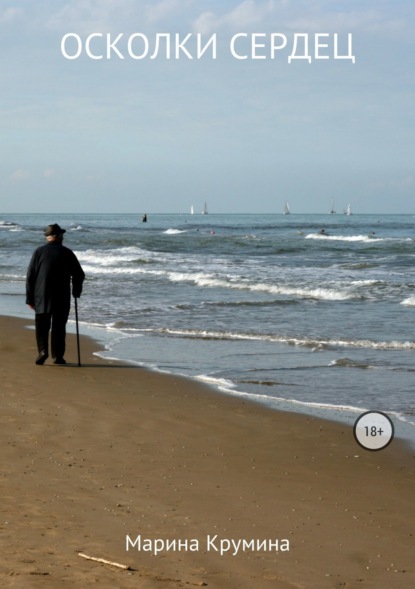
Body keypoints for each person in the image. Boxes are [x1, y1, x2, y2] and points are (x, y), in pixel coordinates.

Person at [26, 223, 85, 365]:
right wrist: (76, 291)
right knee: (59, 327)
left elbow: (30, 276)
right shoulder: (67, 252)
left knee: (42, 326)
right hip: (61, 296)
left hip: (41, 296)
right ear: (59, 237)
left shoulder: (38, 252)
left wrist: (30, 298)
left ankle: (43, 351)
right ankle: (57, 356)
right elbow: (79, 274)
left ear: (48, 238)